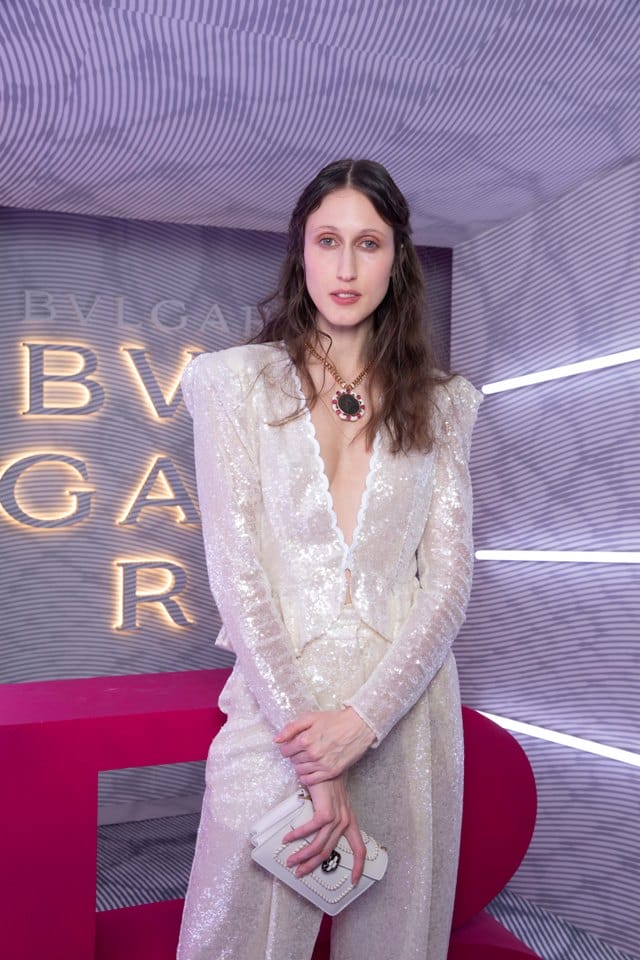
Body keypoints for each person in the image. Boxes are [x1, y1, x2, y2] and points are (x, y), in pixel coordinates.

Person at [177, 158, 482, 960]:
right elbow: (237, 575)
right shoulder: (232, 384)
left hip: (406, 714)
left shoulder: (443, 403)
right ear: (301, 251)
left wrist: (364, 723)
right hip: (281, 717)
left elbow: (449, 582)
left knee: (396, 941)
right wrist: (318, 759)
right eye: (328, 240)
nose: (346, 267)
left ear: (397, 257)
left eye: (368, 243)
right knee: (236, 940)